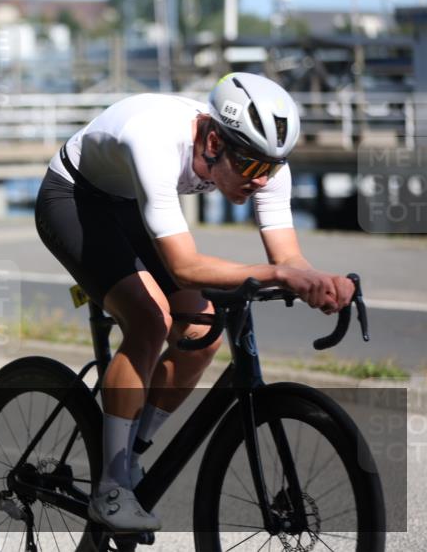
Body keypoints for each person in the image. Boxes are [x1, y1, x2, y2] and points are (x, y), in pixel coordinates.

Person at [34, 73, 355, 532]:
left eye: (271, 168)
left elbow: (287, 258)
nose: (259, 180)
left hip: (129, 201)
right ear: (210, 140)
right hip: (73, 199)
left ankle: (130, 457)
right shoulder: (153, 138)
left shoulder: (262, 162)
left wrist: (315, 283)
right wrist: (281, 275)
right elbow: (185, 266)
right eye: (249, 166)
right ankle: (109, 487)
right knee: (149, 321)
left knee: (202, 332)